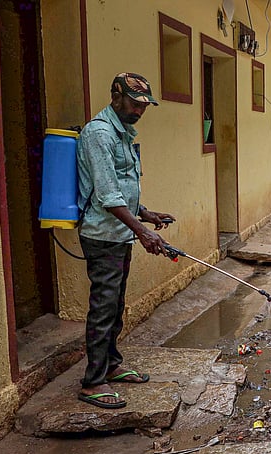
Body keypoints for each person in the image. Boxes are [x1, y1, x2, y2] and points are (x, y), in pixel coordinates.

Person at [76, 73, 175, 409]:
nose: (139, 111)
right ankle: (93, 382)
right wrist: (142, 232)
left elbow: (122, 186)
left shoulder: (121, 133)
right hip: (102, 235)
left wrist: (145, 214)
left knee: (115, 306)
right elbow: (107, 194)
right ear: (116, 97)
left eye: (144, 106)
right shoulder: (100, 134)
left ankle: (111, 365)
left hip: (120, 233)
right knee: (103, 308)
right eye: (135, 104)